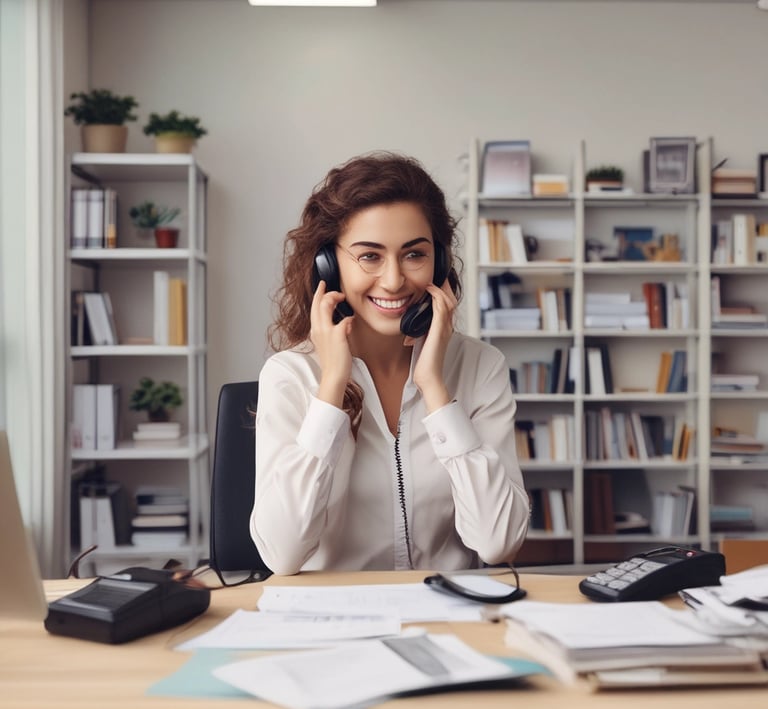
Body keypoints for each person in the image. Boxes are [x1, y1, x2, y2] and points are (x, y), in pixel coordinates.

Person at [250, 152, 529, 575]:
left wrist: (436, 390)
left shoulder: (480, 366)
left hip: (448, 615)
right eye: (369, 256)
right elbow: (281, 555)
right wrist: (331, 390)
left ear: (437, 259)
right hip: (336, 622)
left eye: (414, 254)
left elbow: (499, 544)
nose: (395, 280)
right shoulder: (290, 375)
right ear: (329, 264)